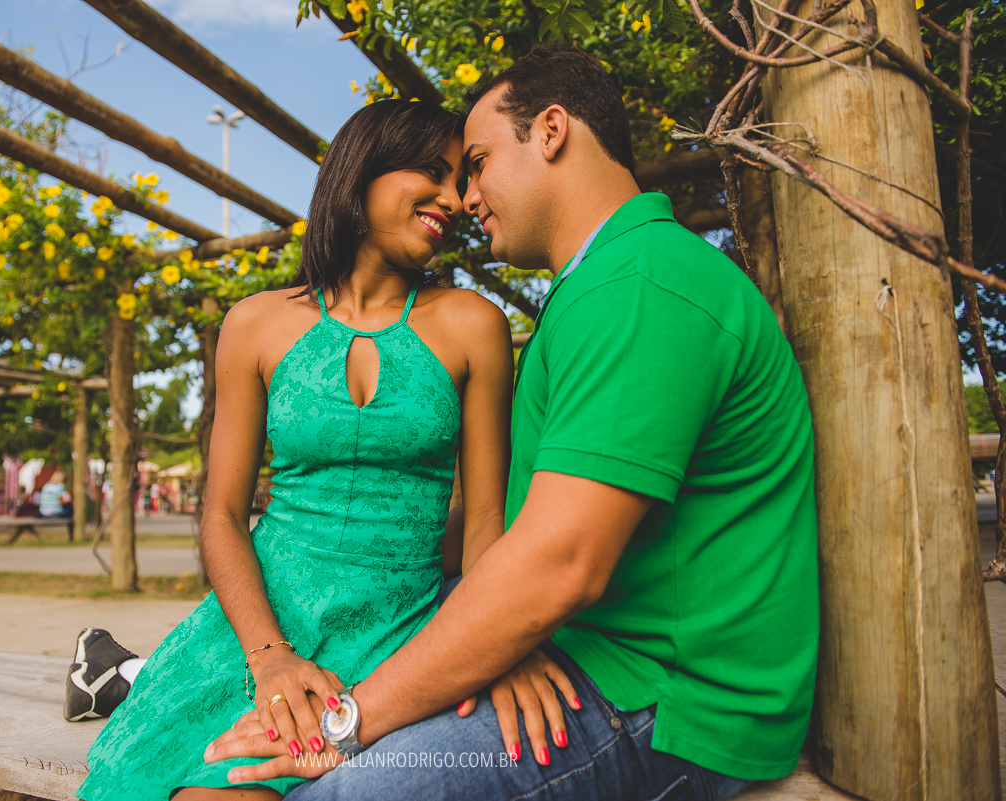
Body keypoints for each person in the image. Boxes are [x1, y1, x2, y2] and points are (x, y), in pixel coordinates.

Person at [205, 43, 819, 801]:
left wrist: (347, 721)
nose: (465, 198)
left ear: (551, 130)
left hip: (663, 702)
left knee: (336, 791)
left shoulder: (641, 285)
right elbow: (523, 533)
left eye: (480, 161)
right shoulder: (601, 283)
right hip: (599, 661)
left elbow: (557, 565)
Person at [71, 99, 514, 801]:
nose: (456, 199)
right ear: (361, 173)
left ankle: (113, 672)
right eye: (433, 172)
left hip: (396, 630)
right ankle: (125, 674)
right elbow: (219, 513)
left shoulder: (473, 326)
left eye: (461, 180)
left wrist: (500, 649)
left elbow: (488, 520)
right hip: (258, 628)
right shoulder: (254, 323)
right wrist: (271, 656)